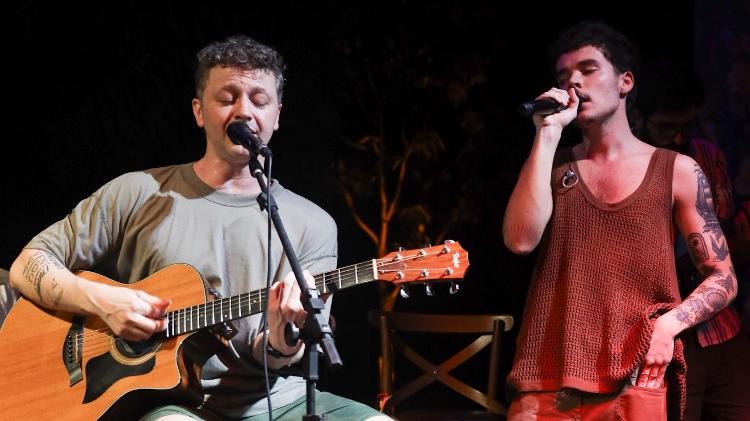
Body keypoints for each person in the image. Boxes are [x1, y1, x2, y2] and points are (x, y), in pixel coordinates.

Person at [8, 35, 390, 421]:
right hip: (172, 404)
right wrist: (105, 303)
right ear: (198, 111)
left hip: (278, 401)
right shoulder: (138, 192)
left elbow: (274, 354)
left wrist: (281, 338)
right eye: (227, 98)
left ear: (277, 114)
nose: (244, 112)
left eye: (259, 100)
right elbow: (29, 266)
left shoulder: (311, 224)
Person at [502, 21, 739, 420]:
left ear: (625, 81)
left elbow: (724, 276)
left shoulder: (676, 169)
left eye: (588, 69)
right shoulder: (552, 165)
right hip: (546, 377)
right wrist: (546, 136)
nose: (573, 82)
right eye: (563, 76)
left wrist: (668, 327)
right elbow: (520, 241)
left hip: (635, 376)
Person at [637, 65, 750, 421]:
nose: (678, 137)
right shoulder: (629, 163)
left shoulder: (706, 154)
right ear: (639, 116)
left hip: (721, 327)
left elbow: (728, 234)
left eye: (687, 126)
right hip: (665, 332)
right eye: (668, 127)